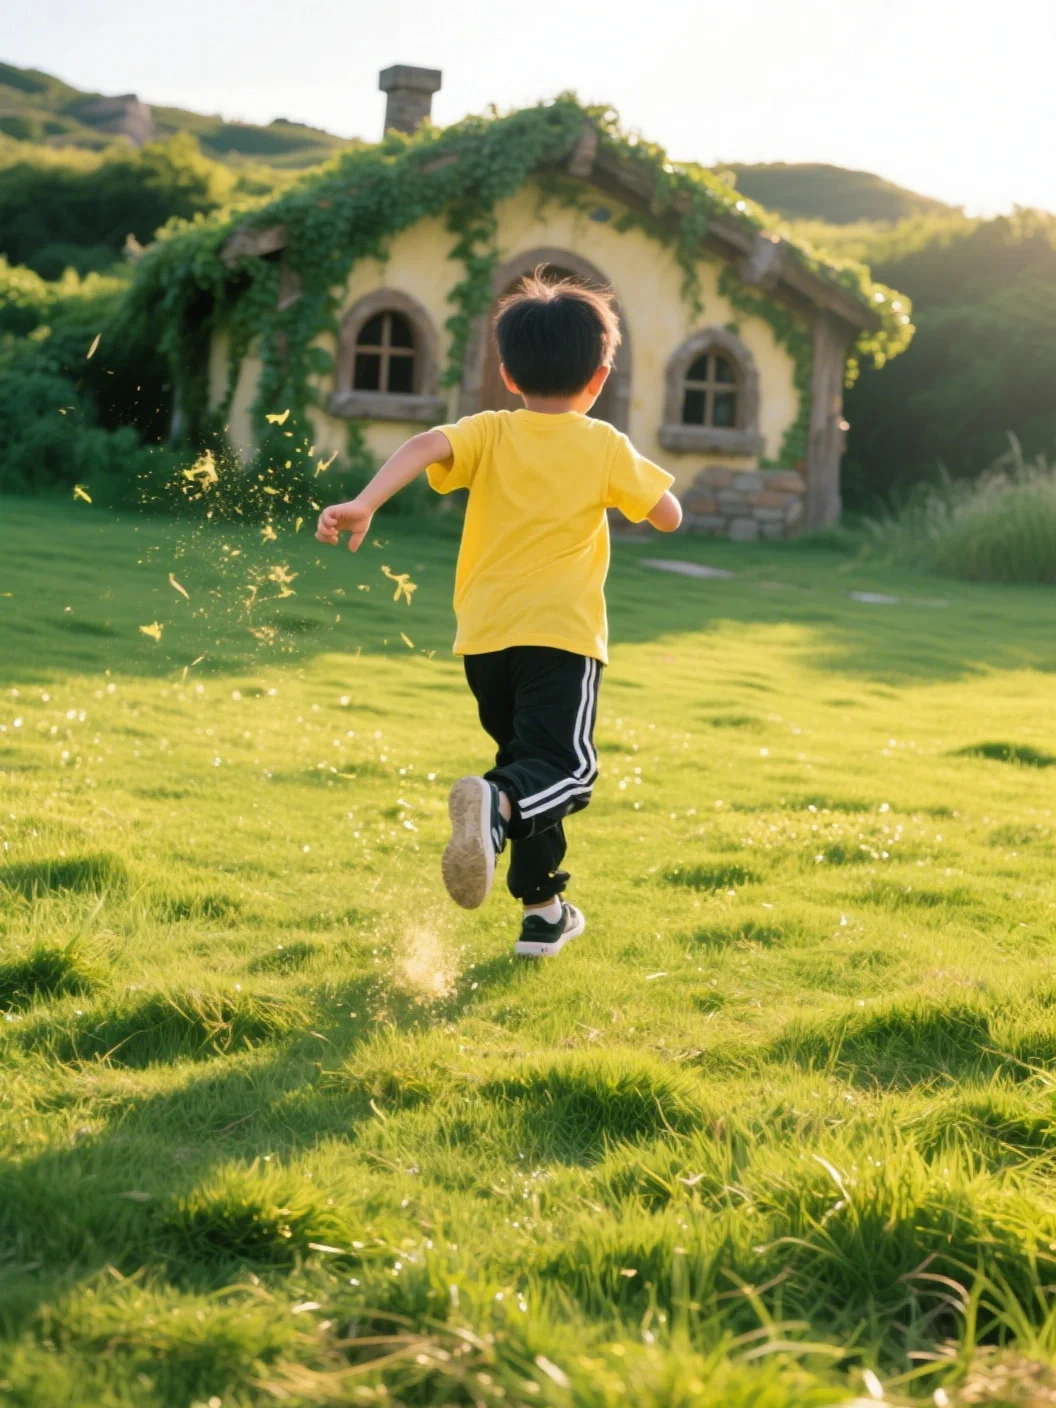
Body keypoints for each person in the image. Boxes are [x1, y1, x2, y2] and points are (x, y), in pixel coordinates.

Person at [317, 272, 681, 956]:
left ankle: (543, 912)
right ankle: (498, 806)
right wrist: (635, 475)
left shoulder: (488, 432)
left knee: (527, 761)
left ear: (508, 375)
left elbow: (425, 443)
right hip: (563, 638)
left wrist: (365, 502)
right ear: (600, 377)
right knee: (567, 770)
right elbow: (668, 516)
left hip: (484, 643)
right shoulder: (603, 443)